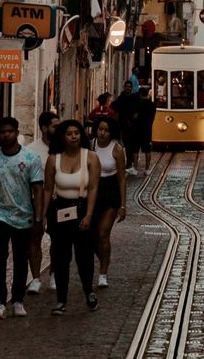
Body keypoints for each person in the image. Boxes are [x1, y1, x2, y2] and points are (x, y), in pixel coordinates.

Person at [0, 117, 44, 320]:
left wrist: (38, 216)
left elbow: (38, 189)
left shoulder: (31, 159)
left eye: (10, 131)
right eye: (3, 132)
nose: (6, 135)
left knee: (21, 258)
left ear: (16, 132)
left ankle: (18, 300)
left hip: (24, 215)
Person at [42, 119, 101, 315]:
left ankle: (88, 291)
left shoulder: (91, 157)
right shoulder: (53, 160)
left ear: (81, 135)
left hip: (83, 207)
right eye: (69, 133)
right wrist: (42, 215)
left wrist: (89, 215)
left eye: (76, 133)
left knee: (84, 255)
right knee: (60, 257)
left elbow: (93, 188)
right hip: (60, 211)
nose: (74, 136)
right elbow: (48, 189)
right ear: (62, 137)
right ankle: (61, 299)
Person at [26, 110, 59, 294]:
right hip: (35, 201)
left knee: (58, 241)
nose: (58, 129)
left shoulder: (63, 150)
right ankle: (36, 278)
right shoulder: (31, 151)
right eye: (55, 126)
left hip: (58, 200)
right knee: (34, 238)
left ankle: (54, 274)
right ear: (45, 128)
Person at [92, 117, 127, 288]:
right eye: (100, 129)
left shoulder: (117, 149)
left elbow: (121, 178)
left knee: (103, 233)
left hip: (111, 193)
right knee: (91, 237)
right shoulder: (91, 146)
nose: (103, 133)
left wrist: (123, 205)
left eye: (106, 130)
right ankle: (105, 258)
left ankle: (103, 273)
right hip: (93, 192)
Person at [112, 81, 141, 175]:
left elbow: (138, 110)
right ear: (124, 87)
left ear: (131, 88)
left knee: (130, 145)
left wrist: (133, 119)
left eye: (129, 87)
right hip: (123, 125)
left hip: (133, 125)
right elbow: (114, 106)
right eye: (126, 86)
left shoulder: (135, 97)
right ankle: (128, 162)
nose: (128, 88)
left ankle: (130, 162)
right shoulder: (121, 97)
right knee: (126, 144)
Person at [136, 88, 156, 175]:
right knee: (147, 150)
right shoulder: (152, 104)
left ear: (140, 94)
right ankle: (147, 169)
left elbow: (135, 116)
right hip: (147, 129)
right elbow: (153, 116)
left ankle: (135, 168)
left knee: (135, 150)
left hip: (137, 128)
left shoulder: (138, 104)